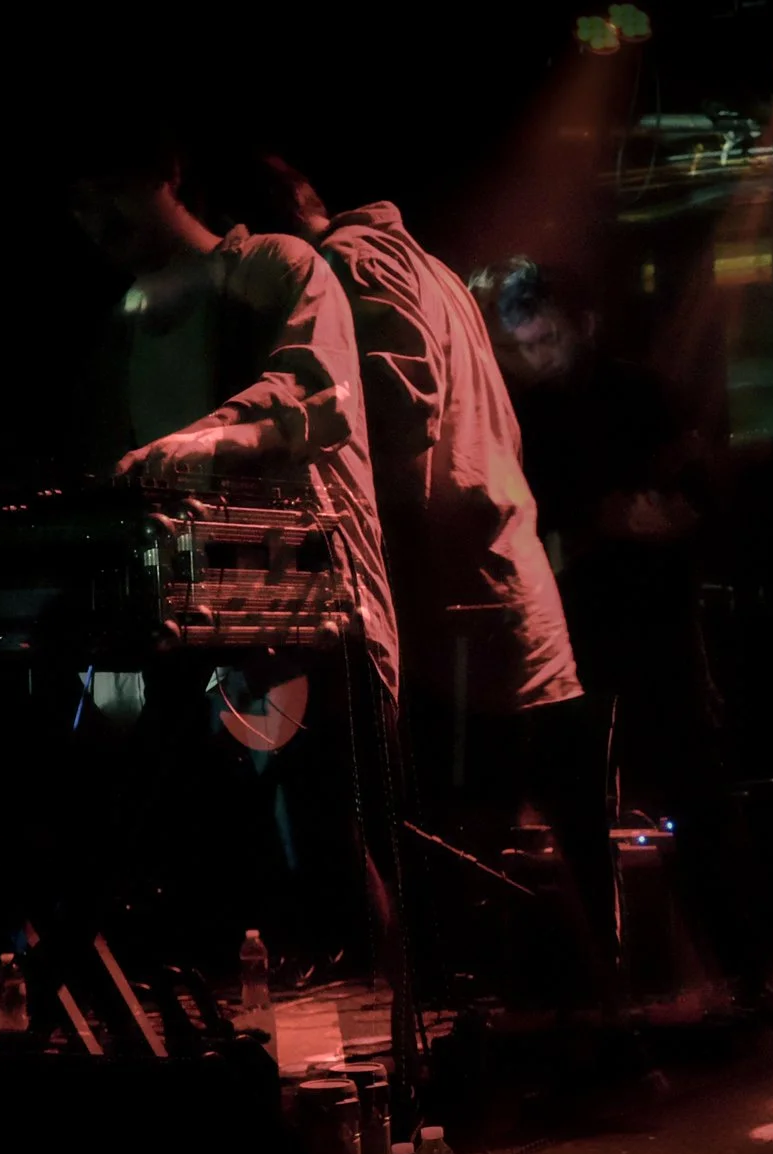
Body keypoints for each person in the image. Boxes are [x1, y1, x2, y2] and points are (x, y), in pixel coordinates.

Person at [214, 156, 606, 1003]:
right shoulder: (420, 262)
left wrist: (292, 454)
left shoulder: (351, 266)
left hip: (462, 606)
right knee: (527, 847)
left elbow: (396, 409)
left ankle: (550, 1039)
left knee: (471, 862)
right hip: (497, 586)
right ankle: (598, 1038)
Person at [67, 133, 404, 994]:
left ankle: (381, 1025)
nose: (94, 218)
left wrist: (202, 442)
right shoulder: (122, 324)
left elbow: (313, 394)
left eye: (109, 190)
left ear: (167, 171)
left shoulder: (275, 268)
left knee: (330, 843)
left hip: (303, 604)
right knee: (207, 850)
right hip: (190, 620)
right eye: (78, 204)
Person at [476, 256, 773, 1013]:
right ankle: (601, 987)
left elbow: (697, 491)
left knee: (694, 789)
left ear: (582, 326)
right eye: (522, 345)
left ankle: (745, 970)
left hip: (653, 617)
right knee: (578, 805)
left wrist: (667, 517)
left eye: (546, 340)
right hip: (572, 626)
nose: (535, 357)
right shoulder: (519, 412)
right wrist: (601, 524)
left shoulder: (637, 392)